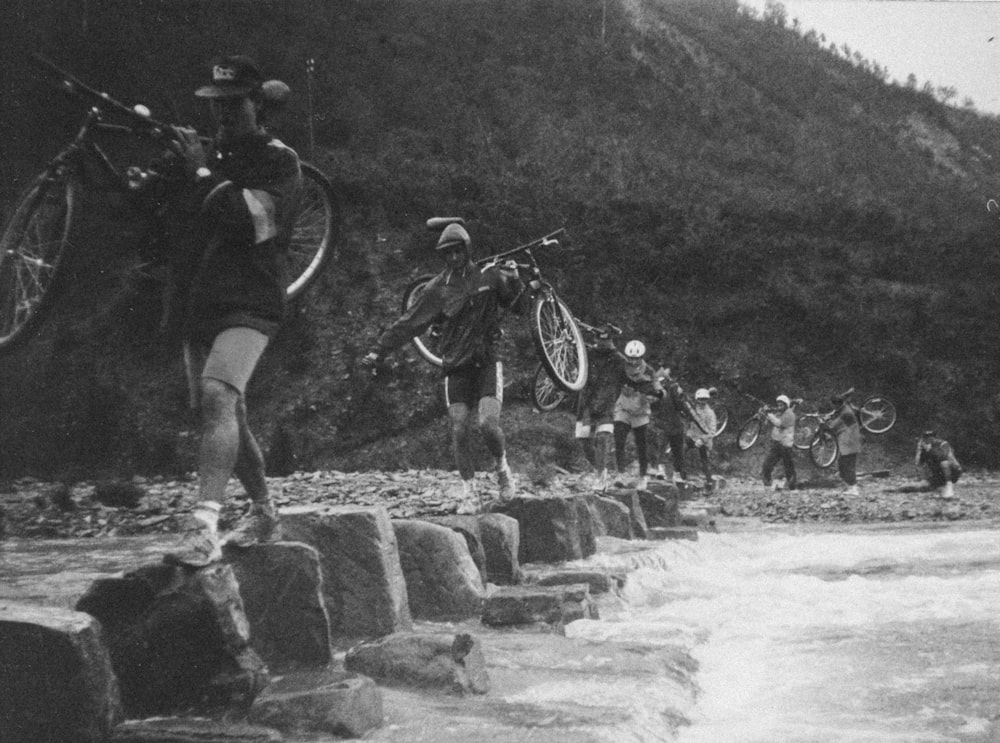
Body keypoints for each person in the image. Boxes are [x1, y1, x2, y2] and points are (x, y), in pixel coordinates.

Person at [163, 55, 303, 567]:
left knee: (217, 393)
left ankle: (204, 527)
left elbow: (250, 222)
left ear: (257, 104)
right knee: (226, 411)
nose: (222, 112)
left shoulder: (278, 159)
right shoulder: (210, 154)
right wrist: (161, 181)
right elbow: (175, 219)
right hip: (200, 299)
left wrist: (198, 170)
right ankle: (265, 512)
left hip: (251, 299)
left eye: (233, 102)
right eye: (215, 103)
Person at [361, 220, 526, 514]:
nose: (452, 258)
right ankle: (468, 491)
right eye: (447, 253)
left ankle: (501, 468)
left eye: (457, 251)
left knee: (488, 425)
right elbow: (409, 323)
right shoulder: (437, 288)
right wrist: (378, 350)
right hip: (456, 366)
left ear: (467, 249)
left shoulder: (488, 275)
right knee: (459, 428)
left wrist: (514, 280)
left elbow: (518, 306)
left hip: (487, 361)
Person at [573, 325, 622, 491]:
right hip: (587, 404)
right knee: (585, 443)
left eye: (606, 340)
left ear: (611, 340)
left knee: (602, 439)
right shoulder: (588, 353)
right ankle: (601, 470)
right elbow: (574, 349)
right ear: (595, 340)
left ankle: (600, 478)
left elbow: (634, 374)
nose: (603, 344)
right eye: (600, 340)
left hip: (608, 405)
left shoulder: (618, 359)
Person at [612, 340, 665, 491]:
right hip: (624, 406)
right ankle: (620, 474)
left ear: (641, 357)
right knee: (619, 440)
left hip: (640, 409)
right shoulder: (622, 368)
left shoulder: (648, 370)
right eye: (630, 358)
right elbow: (615, 384)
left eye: (636, 358)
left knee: (641, 444)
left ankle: (643, 476)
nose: (633, 361)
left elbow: (657, 385)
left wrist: (658, 393)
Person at [652, 367, 690, 486]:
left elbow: (680, 404)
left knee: (673, 449)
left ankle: (675, 472)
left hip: (671, 423)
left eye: (663, 381)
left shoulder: (672, 389)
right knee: (664, 447)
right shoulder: (666, 390)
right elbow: (680, 404)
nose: (661, 384)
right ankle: (665, 470)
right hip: (665, 424)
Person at [824, 394, 861, 495]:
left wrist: (825, 422)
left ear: (836, 404)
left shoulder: (845, 413)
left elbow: (833, 425)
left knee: (848, 464)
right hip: (847, 440)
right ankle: (849, 486)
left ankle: (853, 488)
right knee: (842, 464)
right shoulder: (842, 408)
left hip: (850, 441)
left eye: (832, 404)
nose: (831, 407)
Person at [761, 394, 797, 490]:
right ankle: (767, 483)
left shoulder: (790, 414)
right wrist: (766, 414)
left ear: (786, 405)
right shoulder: (779, 413)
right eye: (779, 405)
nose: (779, 407)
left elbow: (779, 424)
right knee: (767, 463)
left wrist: (770, 415)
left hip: (786, 444)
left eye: (782, 405)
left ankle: (792, 486)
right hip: (777, 443)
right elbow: (770, 422)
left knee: (788, 466)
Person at [686, 388, 718, 490]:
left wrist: (702, 440)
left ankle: (709, 483)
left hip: (704, 440)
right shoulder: (693, 411)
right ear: (697, 399)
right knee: (680, 452)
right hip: (692, 437)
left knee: (704, 462)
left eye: (704, 399)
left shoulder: (710, 413)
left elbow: (712, 431)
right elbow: (689, 425)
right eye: (700, 399)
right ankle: (680, 475)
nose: (702, 402)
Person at [916, 430, 962, 499]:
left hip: (953, 471)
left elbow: (943, 456)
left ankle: (949, 485)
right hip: (938, 474)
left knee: (944, 462)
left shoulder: (943, 444)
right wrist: (919, 451)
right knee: (922, 487)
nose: (929, 439)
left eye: (931, 437)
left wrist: (929, 449)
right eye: (926, 438)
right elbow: (920, 463)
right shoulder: (924, 448)